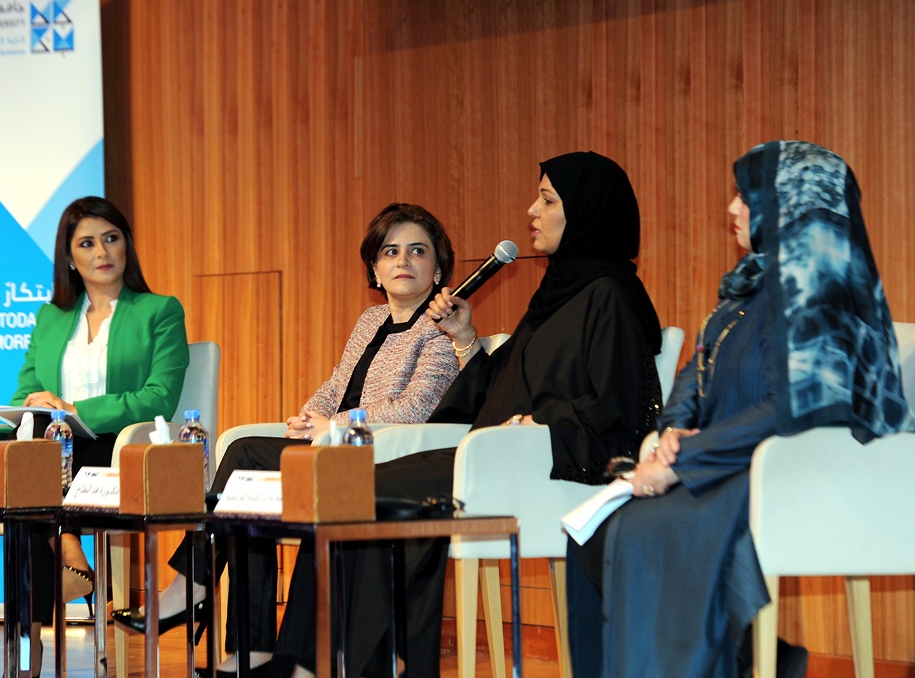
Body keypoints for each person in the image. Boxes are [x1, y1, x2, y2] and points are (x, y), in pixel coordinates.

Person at [268, 151, 665, 678]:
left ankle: (371, 662)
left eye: (547, 201)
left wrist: (538, 423)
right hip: (497, 452)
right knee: (348, 483)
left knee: (371, 491)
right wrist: (464, 338)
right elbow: (502, 389)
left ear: (587, 212)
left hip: (546, 463)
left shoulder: (610, 296)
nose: (532, 211)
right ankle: (310, 660)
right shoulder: (556, 294)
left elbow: (621, 408)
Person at [566, 140, 915, 678]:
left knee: (644, 527)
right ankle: (751, 655)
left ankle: (734, 660)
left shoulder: (821, 292)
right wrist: (673, 432)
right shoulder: (745, 289)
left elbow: (791, 408)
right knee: (593, 527)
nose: (732, 208)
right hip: (728, 463)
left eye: (747, 197)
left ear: (792, 204)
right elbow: (695, 372)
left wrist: (682, 462)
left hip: (793, 473)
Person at [111, 202, 460, 678]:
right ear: (375, 270)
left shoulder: (441, 329)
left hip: (382, 459)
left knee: (246, 455)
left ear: (438, 268)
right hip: (330, 448)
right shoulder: (370, 321)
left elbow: (415, 408)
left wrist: (333, 425)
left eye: (417, 251)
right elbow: (336, 384)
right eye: (390, 251)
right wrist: (307, 417)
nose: (403, 261)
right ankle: (249, 647)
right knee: (246, 479)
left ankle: (192, 589)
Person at [11, 196, 190, 674]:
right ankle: (64, 561)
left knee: (33, 477)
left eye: (111, 238)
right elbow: (26, 389)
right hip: (54, 449)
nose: (102, 251)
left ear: (126, 244)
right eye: (87, 243)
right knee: (19, 468)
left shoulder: (159, 311)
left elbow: (159, 397)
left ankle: (31, 636)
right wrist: (37, 404)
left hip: (118, 447)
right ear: (70, 257)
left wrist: (77, 410)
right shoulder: (50, 318)